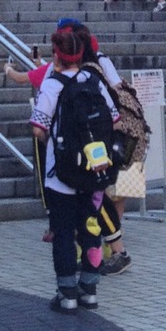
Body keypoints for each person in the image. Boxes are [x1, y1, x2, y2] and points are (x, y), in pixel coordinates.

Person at [28, 24, 119, 315]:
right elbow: (114, 119)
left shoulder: (52, 84)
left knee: (64, 232)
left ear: (57, 56)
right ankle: (89, 289)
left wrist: (57, 142)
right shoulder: (94, 81)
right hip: (94, 171)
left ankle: (66, 293)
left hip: (61, 175)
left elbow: (38, 128)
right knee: (91, 228)